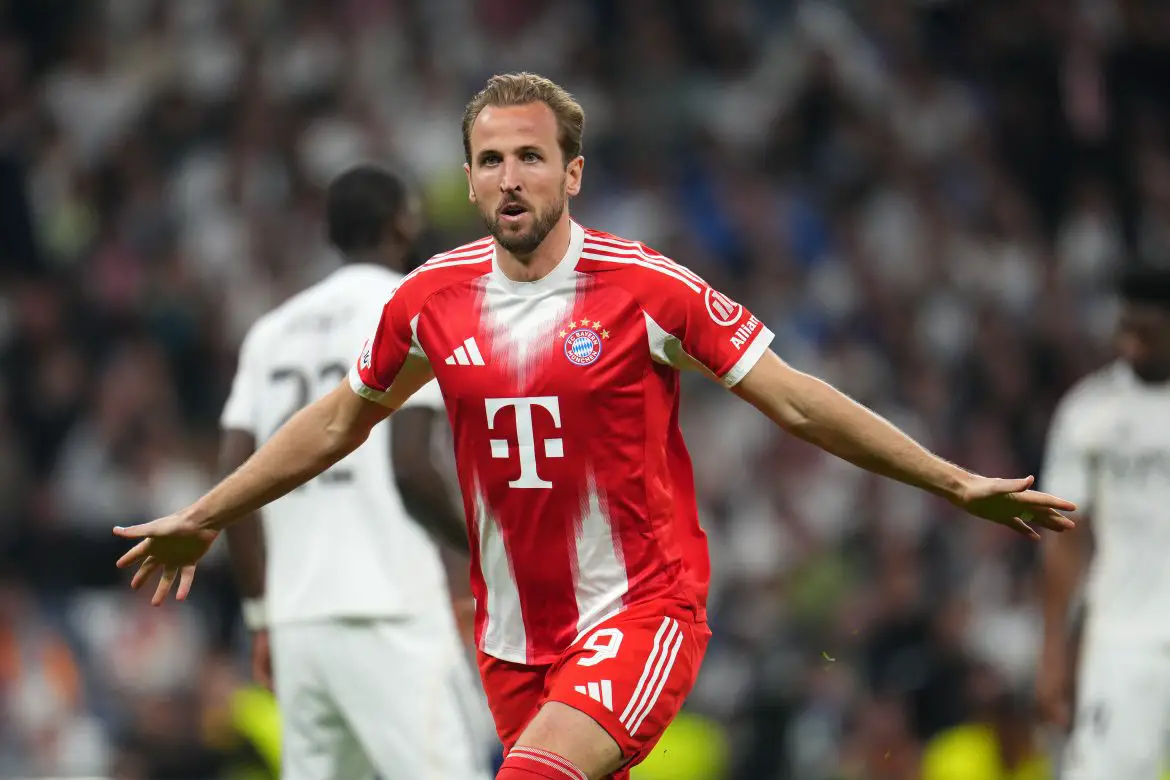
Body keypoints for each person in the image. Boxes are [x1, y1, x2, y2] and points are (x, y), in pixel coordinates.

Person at [114, 72, 1076, 780]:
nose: (510, 178)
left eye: (530, 156)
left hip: (640, 610)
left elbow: (793, 397)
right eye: (490, 160)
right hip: (511, 636)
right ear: (469, 178)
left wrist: (952, 482)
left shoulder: (645, 288)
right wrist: (208, 512)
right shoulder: (431, 298)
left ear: (573, 172)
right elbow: (331, 426)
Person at [216, 165, 489, 780]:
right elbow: (411, 467)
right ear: (402, 222)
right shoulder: (412, 307)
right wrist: (485, 556)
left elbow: (233, 478)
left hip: (298, 623)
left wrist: (262, 615)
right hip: (388, 609)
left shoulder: (270, 332)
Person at [1037, 266, 1170, 780]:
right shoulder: (1089, 412)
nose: (1135, 347)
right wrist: (1052, 652)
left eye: (1150, 334)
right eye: (1128, 331)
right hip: (1122, 637)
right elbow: (1062, 538)